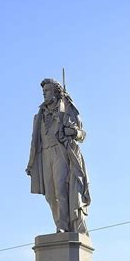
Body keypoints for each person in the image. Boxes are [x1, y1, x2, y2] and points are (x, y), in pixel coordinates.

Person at [26, 78, 91, 234]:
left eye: (47, 90)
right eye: (43, 91)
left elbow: (82, 134)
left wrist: (74, 132)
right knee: (50, 194)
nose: (44, 94)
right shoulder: (39, 115)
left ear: (56, 92)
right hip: (44, 154)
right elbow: (34, 140)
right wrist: (30, 163)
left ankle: (62, 226)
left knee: (61, 188)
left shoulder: (67, 109)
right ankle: (60, 222)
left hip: (61, 152)